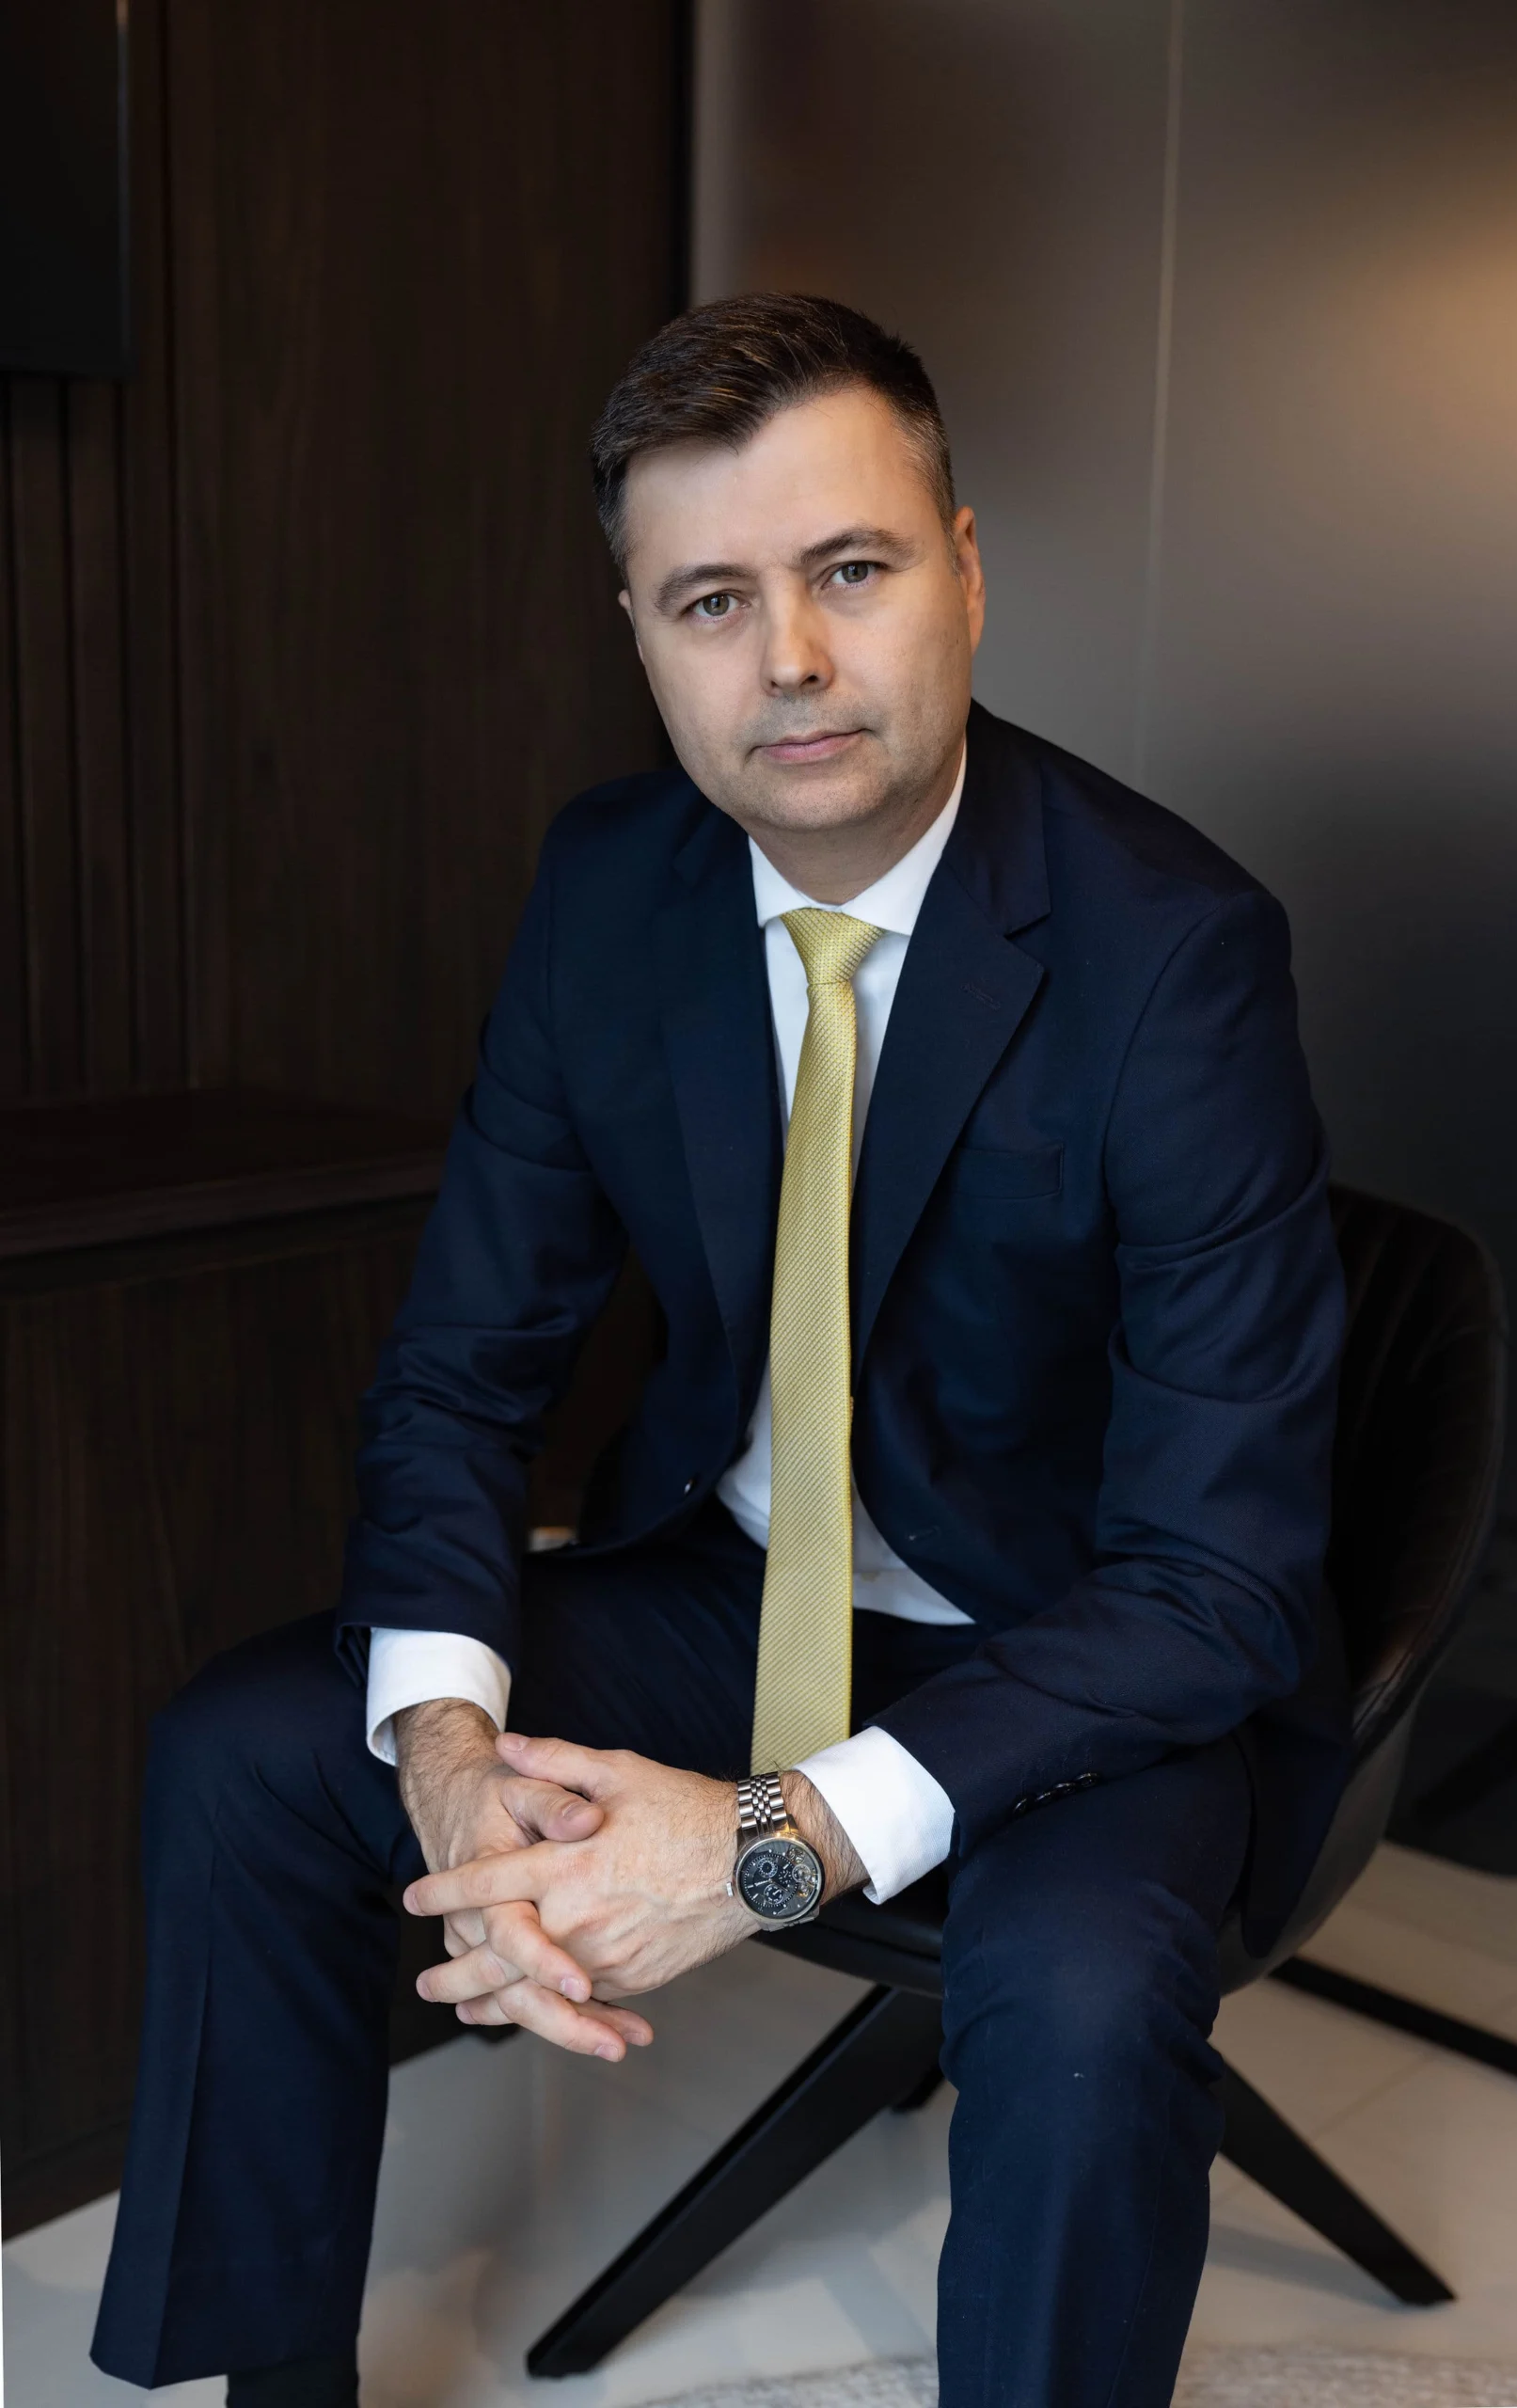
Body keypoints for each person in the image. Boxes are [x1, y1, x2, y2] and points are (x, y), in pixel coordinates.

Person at [92, 293, 1351, 2408]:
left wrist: (762, 1841)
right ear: (639, 632)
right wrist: (450, 1759)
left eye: (849, 569)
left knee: (1076, 1994)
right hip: (735, 1587)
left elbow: (1216, 1582)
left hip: (1084, 1643)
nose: (788, 658)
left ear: (965, 570)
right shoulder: (610, 887)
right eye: (710, 599)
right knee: (251, 1751)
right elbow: (462, 1368)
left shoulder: (1176, 951)